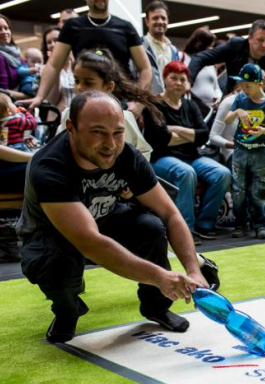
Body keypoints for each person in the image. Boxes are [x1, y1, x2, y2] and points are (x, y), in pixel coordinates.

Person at [16, 90, 208, 342]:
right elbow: (91, 243)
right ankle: (67, 309)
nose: (110, 144)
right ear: (71, 128)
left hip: (104, 218)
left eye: (117, 132)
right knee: (55, 262)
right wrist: (161, 277)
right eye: (98, 132)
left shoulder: (126, 155)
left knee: (151, 227)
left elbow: (170, 213)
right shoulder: (49, 166)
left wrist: (194, 270)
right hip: (52, 234)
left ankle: (156, 307)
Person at [144, 61, 231, 243]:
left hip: (192, 157)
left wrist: (175, 130)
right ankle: (185, 229)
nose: (178, 82)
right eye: (173, 78)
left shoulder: (190, 107)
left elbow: (203, 135)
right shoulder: (154, 105)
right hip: (162, 158)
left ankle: (205, 224)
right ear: (164, 79)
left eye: (182, 79)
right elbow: (159, 138)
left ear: (187, 84)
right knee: (186, 173)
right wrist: (190, 134)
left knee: (222, 173)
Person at [25, 0, 153, 110]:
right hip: (85, 101)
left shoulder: (126, 27)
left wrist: (138, 103)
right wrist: (39, 97)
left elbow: (145, 68)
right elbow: (53, 64)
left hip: (122, 103)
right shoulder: (72, 26)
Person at [56, 49, 154, 161]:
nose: (79, 87)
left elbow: (143, 152)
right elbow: (56, 152)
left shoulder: (124, 117)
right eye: (77, 81)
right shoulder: (68, 115)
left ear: (108, 87)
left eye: (88, 82)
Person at [224, 64, 265, 239]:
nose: (244, 88)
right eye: (242, 84)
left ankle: (260, 224)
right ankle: (240, 223)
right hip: (241, 151)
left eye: (248, 85)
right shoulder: (240, 99)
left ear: (260, 84)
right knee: (238, 191)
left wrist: (263, 131)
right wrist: (237, 112)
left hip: (262, 152)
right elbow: (227, 120)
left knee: (261, 191)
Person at [189, 19, 265, 96]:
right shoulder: (235, 46)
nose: (264, 45)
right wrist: (188, 81)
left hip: (259, 101)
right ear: (250, 38)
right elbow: (200, 58)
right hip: (231, 96)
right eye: (260, 40)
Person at [179, 28, 222, 115]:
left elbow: (216, 87)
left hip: (210, 111)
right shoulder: (182, 57)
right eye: (209, 46)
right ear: (200, 45)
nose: (211, 49)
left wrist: (218, 97)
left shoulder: (210, 64)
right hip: (191, 109)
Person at [143, 1, 179, 95]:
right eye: (155, 18)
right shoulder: (140, 46)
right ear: (147, 21)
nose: (160, 22)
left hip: (169, 102)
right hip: (147, 102)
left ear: (167, 21)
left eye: (163, 18)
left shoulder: (173, 50)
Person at [41, 27, 74, 114]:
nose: (52, 44)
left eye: (56, 40)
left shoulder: (78, 63)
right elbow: (53, 100)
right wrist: (56, 68)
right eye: (49, 42)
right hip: (58, 118)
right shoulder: (44, 69)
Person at [0, 15, 26, 99]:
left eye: (6, 28)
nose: (4, 32)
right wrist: (28, 96)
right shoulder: (0, 57)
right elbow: (3, 92)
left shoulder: (17, 54)